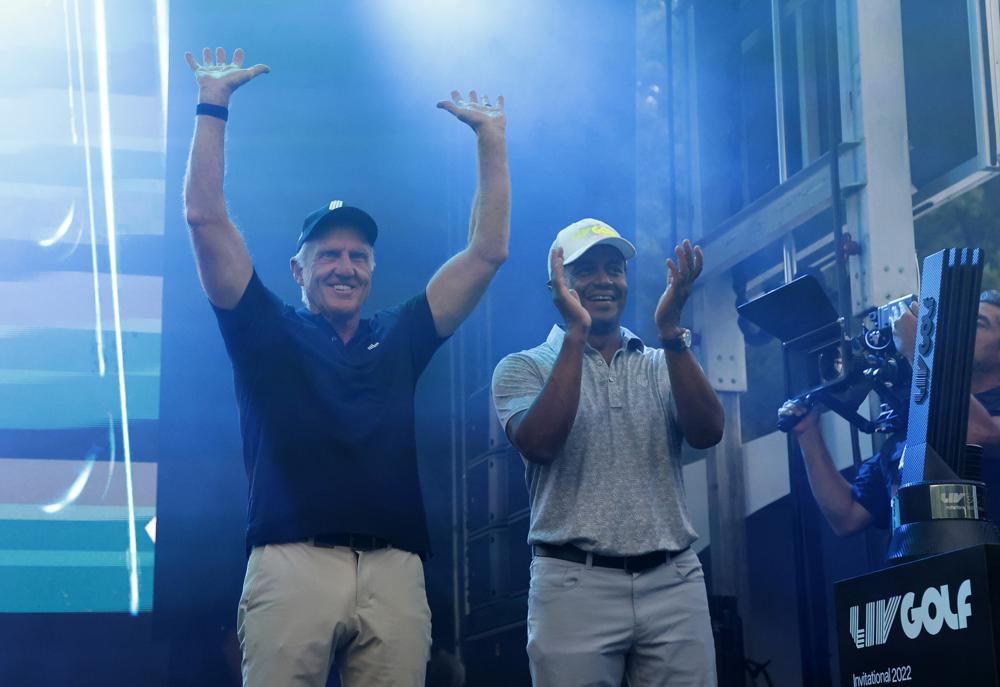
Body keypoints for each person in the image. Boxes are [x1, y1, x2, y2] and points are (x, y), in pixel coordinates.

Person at [182, 47, 509, 687]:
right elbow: (205, 216)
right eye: (327, 254)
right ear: (298, 271)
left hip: (394, 567)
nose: (345, 266)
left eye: (359, 255)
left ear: (373, 270)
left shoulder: (401, 333)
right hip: (291, 561)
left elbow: (487, 252)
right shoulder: (266, 327)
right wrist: (212, 103)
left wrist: (491, 141)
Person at [491, 220, 725, 686]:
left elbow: (708, 432)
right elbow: (540, 443)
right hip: (574, 585)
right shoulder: (522, 367)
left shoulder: (663, 360)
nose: (604, 280)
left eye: (614, 269)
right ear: (558, 283)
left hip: (672, 580)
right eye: (586, 269)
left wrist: (671, 329)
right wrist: (576, 333)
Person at [782, 289, 1000, 535]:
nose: (962, 329)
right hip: (925, 567)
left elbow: (976, 433)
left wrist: (920, 351)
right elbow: (847, 516)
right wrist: (807, 432)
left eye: (979, 324)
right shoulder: (916, 417)